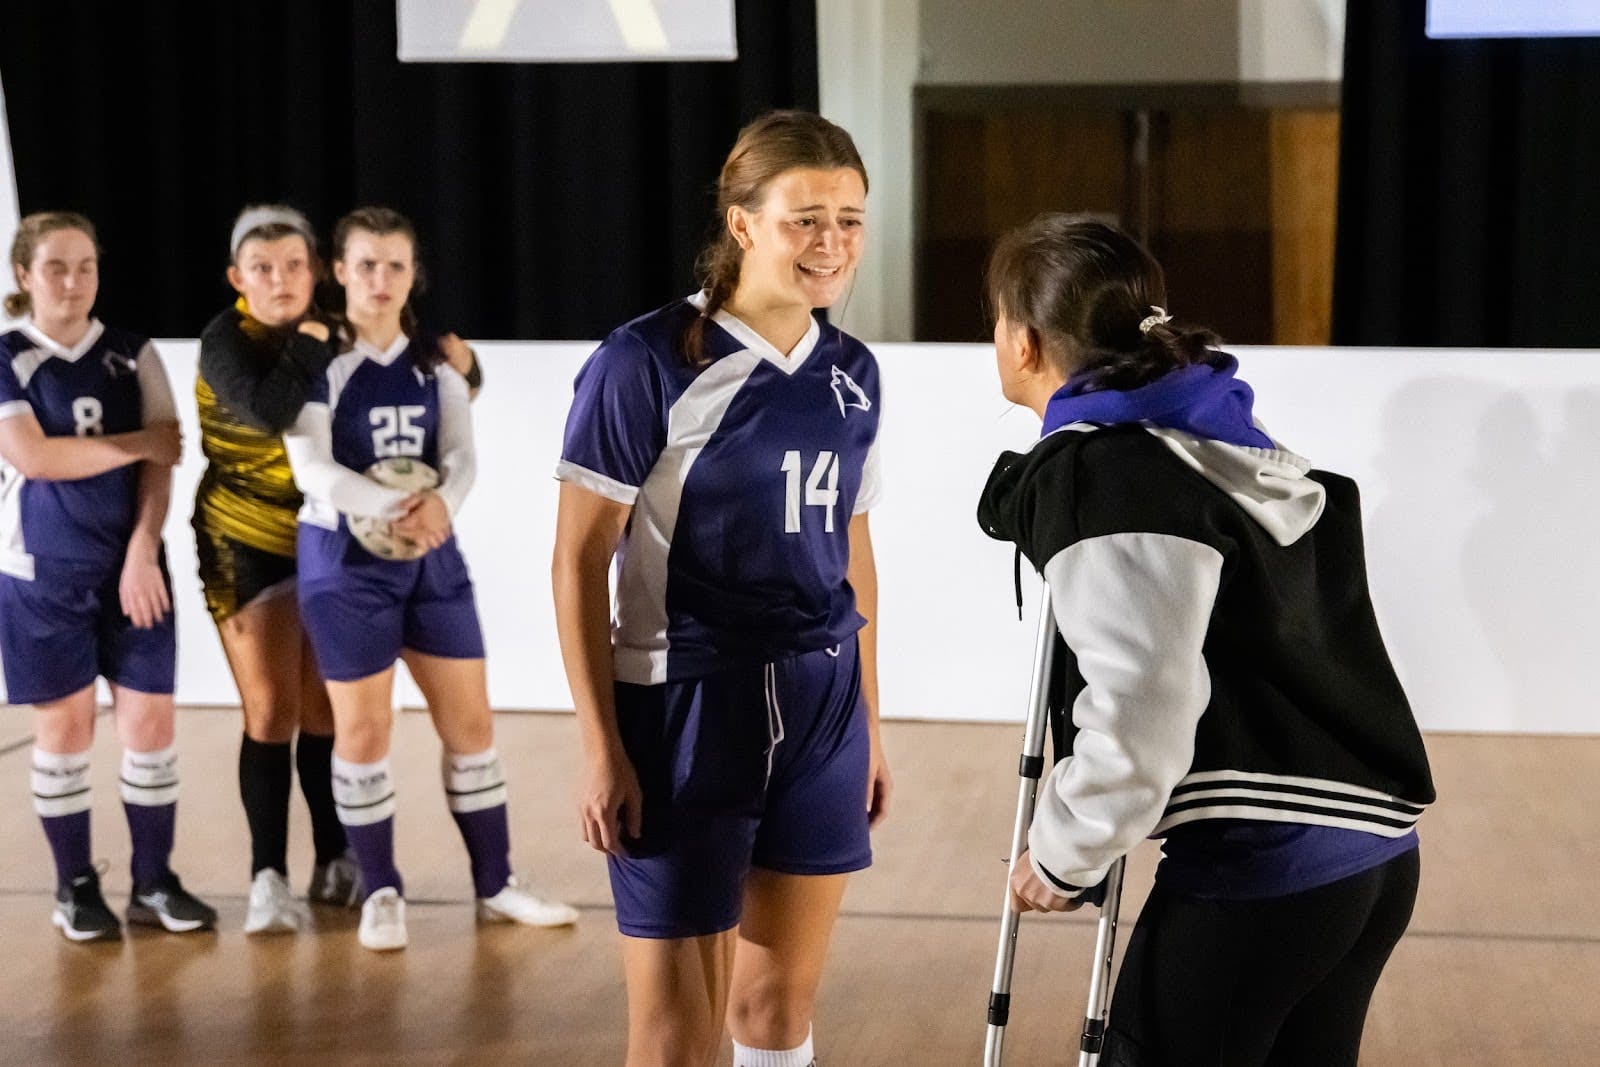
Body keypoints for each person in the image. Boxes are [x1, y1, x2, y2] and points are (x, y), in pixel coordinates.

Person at [977, 215, 1436, 1066]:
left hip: (1267, 868)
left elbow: (1143, 700)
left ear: (1024, 340)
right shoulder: (1216, 441)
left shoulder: (1105, 475)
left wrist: (1066, 851)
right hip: (1373, 858)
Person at [552, 110, 894, 1067]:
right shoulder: (646, 360)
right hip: (686, 706)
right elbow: (578, 560)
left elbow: (855, 553)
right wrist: (601, 746)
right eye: (804, 219)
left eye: (850, 220)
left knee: (777, 1007)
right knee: (674, 1036)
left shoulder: (855, 373)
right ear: (743, 223)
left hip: (823, 702)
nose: (831, 242)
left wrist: (870, 721)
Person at [282, 205, 576, 952]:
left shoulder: (436, 361)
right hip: (344, 566)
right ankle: (381, 889)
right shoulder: (315, 359)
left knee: (472, 726)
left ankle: (496, 883)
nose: (381, 279)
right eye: (366, 264)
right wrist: (396, 506)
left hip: (431, 558)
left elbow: (461, 454)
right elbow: (310, 466)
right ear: (339, 271)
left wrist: (443, 502)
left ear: (414, 275)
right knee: (365, 729)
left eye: (396, 265)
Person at [0, 211, 216, 941]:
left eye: (85, 266)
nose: (73, 281)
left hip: (132, 570)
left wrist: (143, 549)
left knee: (151, 724)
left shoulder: (132, 351)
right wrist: (136, 442)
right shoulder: (8, 356)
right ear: (25, 275)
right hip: (41, 574)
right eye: (56, 267)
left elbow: (167, 456)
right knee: (64, 730)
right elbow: (35, 458)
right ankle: (74, 886)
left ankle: (153, 881)